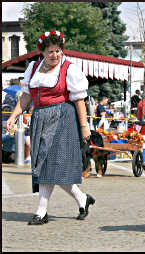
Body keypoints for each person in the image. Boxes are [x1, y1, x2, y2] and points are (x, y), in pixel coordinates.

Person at [5, 31, 95, 225]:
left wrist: (84, 126)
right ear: (42, 52)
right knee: (47, 165)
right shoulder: (33, 68)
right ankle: (82, 199)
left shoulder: (69, 69)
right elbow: (26, 97)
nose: (54, 55)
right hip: (40, 118)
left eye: (58, 50)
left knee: (52, 164)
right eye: (50, 51)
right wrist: (12, 116)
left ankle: (41, 211)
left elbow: (79, 100)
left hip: (63, 118)